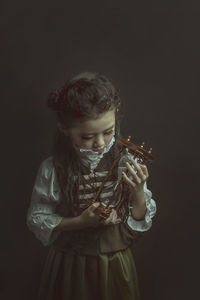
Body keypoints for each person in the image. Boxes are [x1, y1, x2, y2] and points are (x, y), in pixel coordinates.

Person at [27, 71, 156, 300]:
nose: (99, 143)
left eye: (108, 132)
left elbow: (138, 219)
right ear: (64, 129)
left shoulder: (126, 161)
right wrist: (80, 222)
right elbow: (38, 217)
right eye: (87, 137)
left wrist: (137, 191)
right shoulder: (53, 169)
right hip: (70, 264)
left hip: (115, 262)